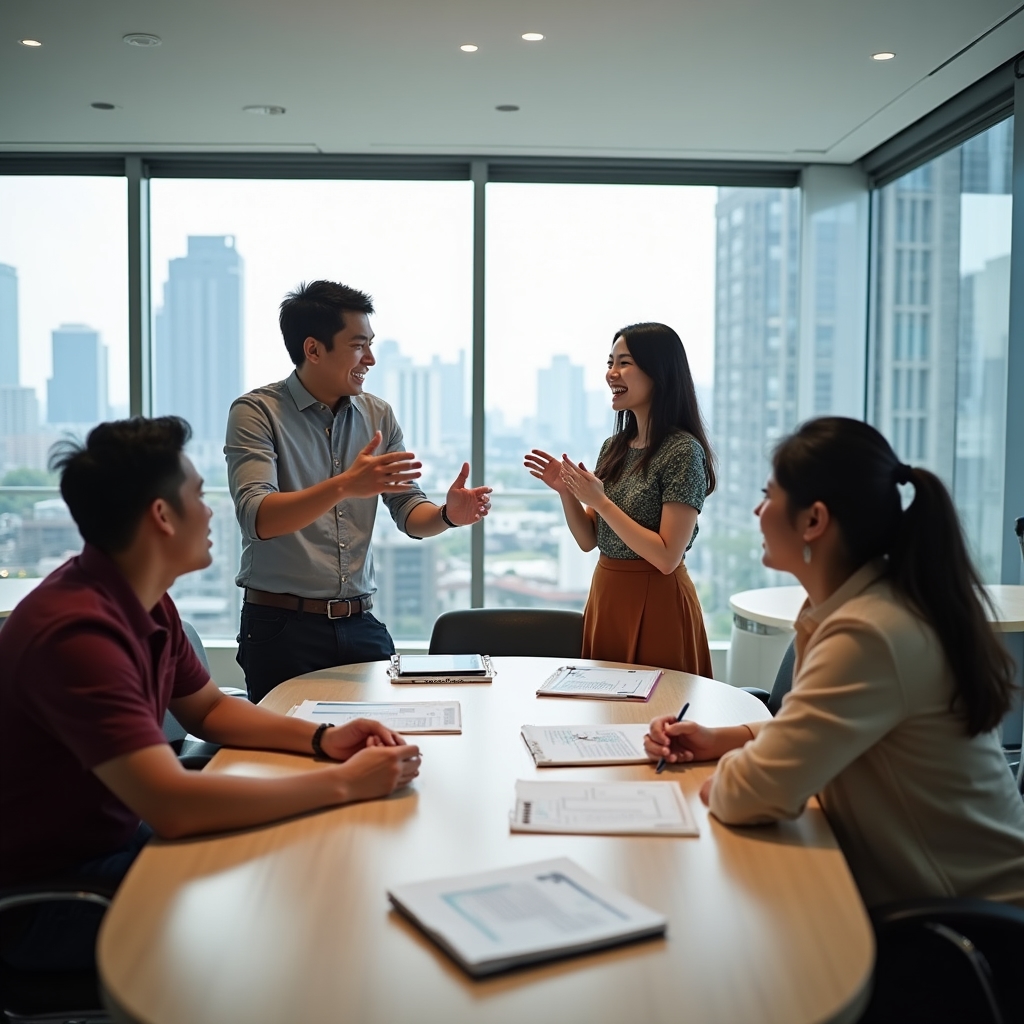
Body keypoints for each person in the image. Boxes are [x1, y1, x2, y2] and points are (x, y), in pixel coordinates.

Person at [0, 417, 422, 969]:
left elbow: (211, 709)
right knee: (283, 922)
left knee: (299, 877)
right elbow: (173, 806)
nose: (209, 511)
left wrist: (326, 741)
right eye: (198, 496)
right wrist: (342, 784)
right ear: (161, 516)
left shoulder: (141, 598)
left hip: (113, 845)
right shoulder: (78, 634)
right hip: (53, 897)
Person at [645, 416, 1024, 909]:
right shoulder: (848, 605)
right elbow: (829, 726)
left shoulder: (870, 632)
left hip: (970, 930)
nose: (758, 511)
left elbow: (747, 795)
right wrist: (724, 739)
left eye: (768, 495)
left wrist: (733, 775)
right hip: (929, 898)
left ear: (814, 520)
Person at [226, 280, 491, 703]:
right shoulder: (256, 412)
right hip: (280, 626)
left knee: (388, 739)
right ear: (313, 349)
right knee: (283, 758)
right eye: (358, 345)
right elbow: (259, 517)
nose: (370, 358)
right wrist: (347, 484)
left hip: (360, 621)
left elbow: (408, 511)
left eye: (370, 344)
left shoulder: (377, 413)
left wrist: (446, 515)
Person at [524, 322, 716, 675]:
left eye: (624, 363)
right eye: (610, 363)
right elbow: (588, 541)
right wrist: (567, 492)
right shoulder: (612, 448)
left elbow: (666, 556)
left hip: (659, 602)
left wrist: (601, 502)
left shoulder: (683, 452)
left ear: (659, 373)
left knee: (659, 716)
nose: (611, 374)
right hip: (607, 595)